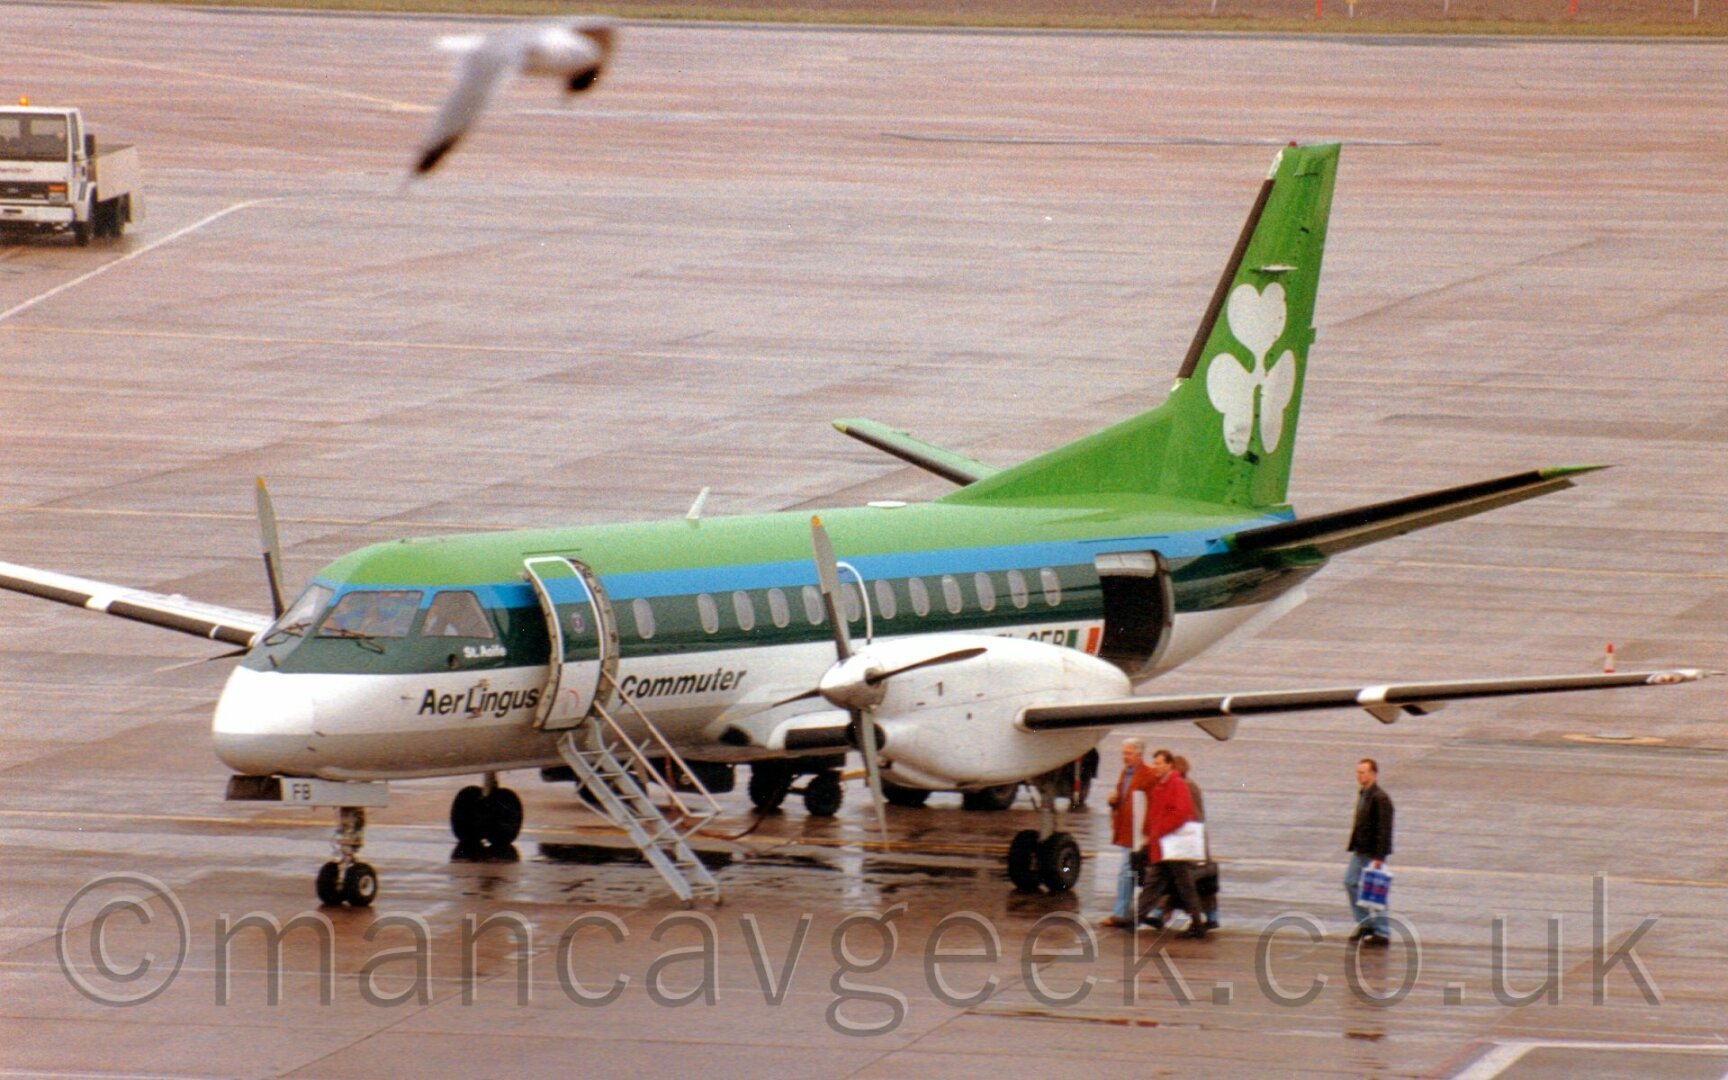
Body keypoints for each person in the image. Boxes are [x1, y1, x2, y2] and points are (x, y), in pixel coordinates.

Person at [1142, 754, 1219, 931]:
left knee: (1183, 882)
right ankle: (1208, 916)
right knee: (1193, 883)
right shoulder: (1186, 785)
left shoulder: (1182, 786)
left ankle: (1162, 914)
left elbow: (1186, 814)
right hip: (1191, 841)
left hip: (1183, 842)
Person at [1098, 738, 1154, 928]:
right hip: (1125, 829)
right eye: (1124, 753)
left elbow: (1150, 803)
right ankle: (1128, 911)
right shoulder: (1125, 773)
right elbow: (1123, 798)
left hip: (1137, 833)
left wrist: (1147, 832)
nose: (1125, 757)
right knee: (1129, 872)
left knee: (1126, 872)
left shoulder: (1148, 774)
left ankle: (1121, 913)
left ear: (1139, 755)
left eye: (1128, 754)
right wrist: (1113, 800)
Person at [1345, 757, 1394, 948]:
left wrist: (1379, 857)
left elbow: (1384, 829)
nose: (1359, 776)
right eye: (1358, 772)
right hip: (1360, 850)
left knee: (1376, 891)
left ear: (1373, 774)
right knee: (1350, 882)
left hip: (1372, 853)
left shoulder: (1380, 798)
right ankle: (1367, 924)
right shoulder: (1364, 794)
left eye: (1363, 772)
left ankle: (1382, 932)